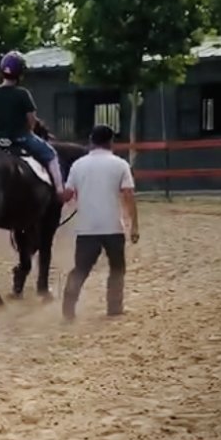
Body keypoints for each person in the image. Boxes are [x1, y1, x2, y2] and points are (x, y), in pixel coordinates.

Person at [61, 123, 139, 321]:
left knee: (80, 269)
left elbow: (67, 194)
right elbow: (128, 196)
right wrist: (134, 225)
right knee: (117, 268)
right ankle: (114, 307)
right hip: (112, 226)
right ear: (111, 141)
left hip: (86, 228)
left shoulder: (78, 165)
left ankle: (68, 308)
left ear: (91, 140)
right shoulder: (120, 164)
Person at [0, 50, 65, 200]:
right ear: (20, 73)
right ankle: (59, 189)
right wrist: (30, 131)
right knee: (51, 154)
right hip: (21, 137)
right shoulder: (22, 93)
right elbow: (31, 119)